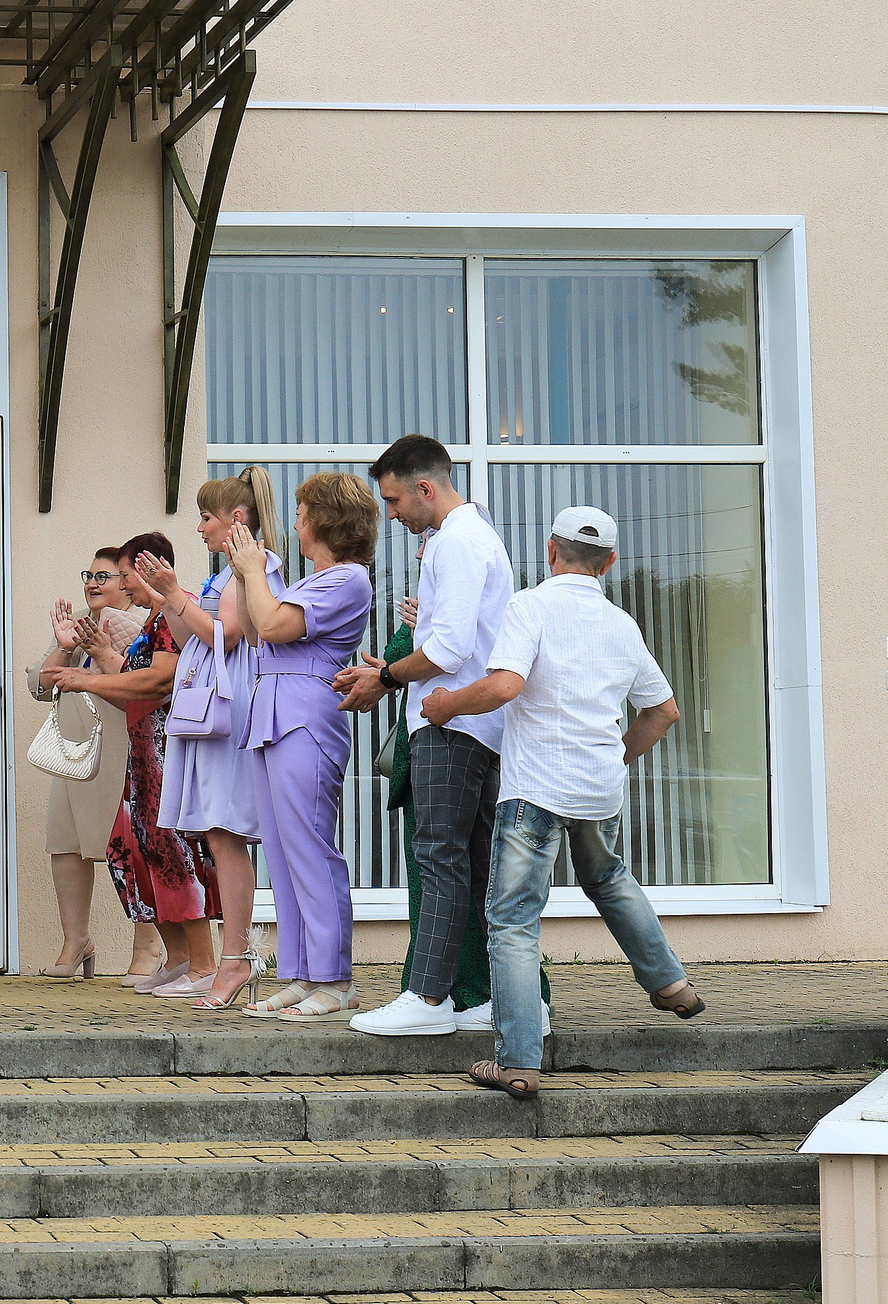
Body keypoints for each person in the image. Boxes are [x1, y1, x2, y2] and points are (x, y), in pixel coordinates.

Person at [417, 506, 705, 1100]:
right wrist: (617, 755)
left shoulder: (531, 607)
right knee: (609, 878)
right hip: (598, 788)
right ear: (610, 563)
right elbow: (665, 711)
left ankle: (518, 1060)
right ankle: (671, 983)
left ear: (551, 551)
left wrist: (446, 706)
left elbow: (503, 686)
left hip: (536, 787)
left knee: (514, 919)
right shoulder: (622, 625)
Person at [337, 434, 515, 1038]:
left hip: (449, 720)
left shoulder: (456, 541)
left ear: (425, 488)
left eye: (392, 502)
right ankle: (489, 997)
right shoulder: (471, 536)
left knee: (439, 858)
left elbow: (447, 648)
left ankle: (428, 997)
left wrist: (384, 674)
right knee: (471, 862)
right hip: (479, 722)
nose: (390, 515)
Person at [220, 473, 378, 1021]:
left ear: (324, 521)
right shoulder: (316, 580)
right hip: (275, 715)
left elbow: (270, 622)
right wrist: (245, 573)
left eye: (302, 512)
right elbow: (255, 624)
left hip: (305, 718)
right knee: (284, 855)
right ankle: (302, 973)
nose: (294, 522)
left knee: (310, 848)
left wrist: (253, 571)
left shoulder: (348, 580)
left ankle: (334, 978)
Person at [132, 469, 286, 1009]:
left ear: (235, 520)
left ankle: (235, 958)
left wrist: (174, 595)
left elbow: (227, 635)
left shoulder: (254, 566)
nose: (199, 527)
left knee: (225, 835)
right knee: (217, 836)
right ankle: (233, 956)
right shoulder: (236, 569)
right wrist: (170, 596)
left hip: (229, 709)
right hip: (218, 708)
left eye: (206, 517)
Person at [43, 533, 218, 991]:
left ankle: (203, 964)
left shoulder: (176, 617)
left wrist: (87, 681)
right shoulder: (153, 622)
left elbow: (157, 682)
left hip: (165, 757)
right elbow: (129, 682)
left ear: (149, 569)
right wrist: (96, 659)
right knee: (133, 856)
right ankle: (180, 959)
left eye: (125, 576)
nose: (124, 586)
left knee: (171, 856)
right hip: (141, 759)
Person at [28, 548, 138, 980]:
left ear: (125, 582)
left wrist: (103, 651)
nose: (92, 584)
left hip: (122, 751)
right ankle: (77, 941)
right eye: (88, 575)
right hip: (74, 753)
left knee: (132, 849)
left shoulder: (142, 622)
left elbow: (142, 681)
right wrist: (63, 647)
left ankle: (148, 948)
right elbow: (41, 685)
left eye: (104, 576)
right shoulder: (75, 621)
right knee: (66, 846)